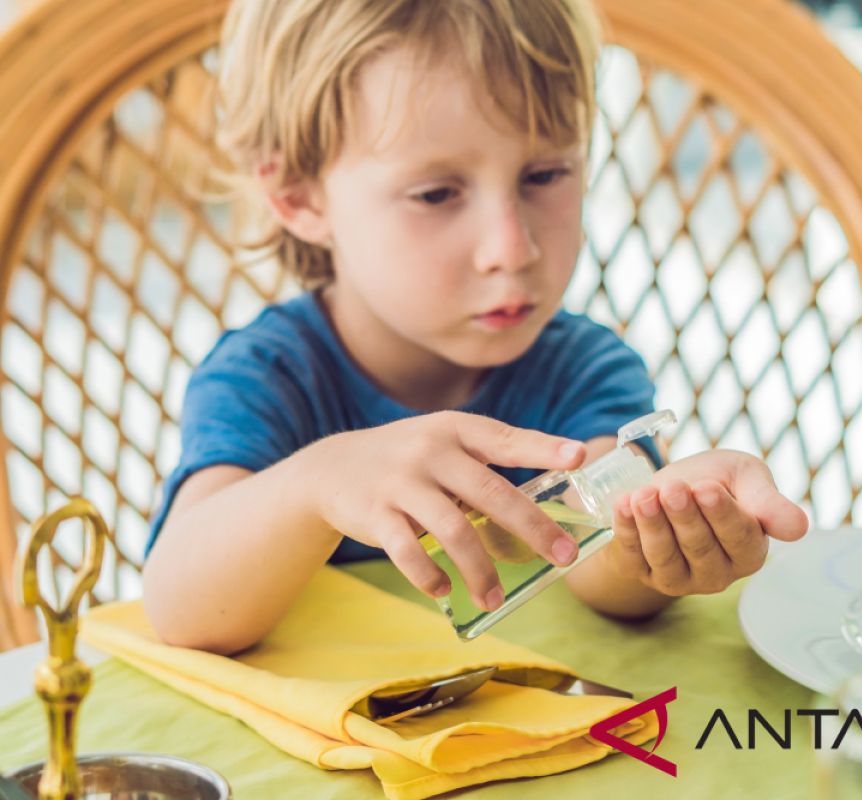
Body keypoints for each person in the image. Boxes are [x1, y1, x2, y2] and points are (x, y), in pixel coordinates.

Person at [142, 0, 809, 655]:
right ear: (299, 197)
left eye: (545, 174)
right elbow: (179, 607)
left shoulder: (581, 369)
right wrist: (317, 481)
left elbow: (606, 574)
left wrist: (666, 522)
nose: (512, 249)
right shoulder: (269, 376)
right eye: (437, 194)